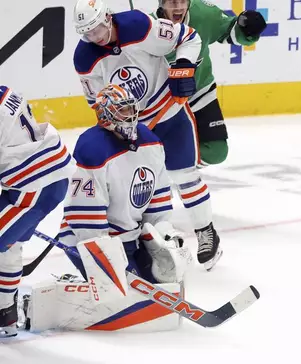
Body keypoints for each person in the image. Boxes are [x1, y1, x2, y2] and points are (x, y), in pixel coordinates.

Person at [20, 84, 192, 333]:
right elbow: (83, 214)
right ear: (105, 115)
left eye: (132, 108)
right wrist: (104, 256)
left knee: (165, 281)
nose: (131, 115)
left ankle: (108, 284)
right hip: (88, 239)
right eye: (123, 111)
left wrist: (161, 235)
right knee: (124, 297)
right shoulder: (92, 148)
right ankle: (53, 299)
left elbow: (159, 196)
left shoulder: (151, 143)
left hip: (131, 237)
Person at [72, 0, 221, 271]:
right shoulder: (84, 57)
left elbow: (188, 37)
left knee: (184, 176)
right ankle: (143, 242)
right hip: (132, 126)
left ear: (107, 18)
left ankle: (205, 231)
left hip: (170, 114)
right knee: (139, 188)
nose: (93, 37)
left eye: (96, 29)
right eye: (87, 33)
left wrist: (183, 67)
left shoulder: (138, 25)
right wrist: (114, 123)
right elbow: (96, 101)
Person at [153, 0, 266, 167]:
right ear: (161, 4)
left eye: (183, 1)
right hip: (159, 102)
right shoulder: (146, 27)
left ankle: (172, 171)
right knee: (145, 150)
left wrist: (246, 26)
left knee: (216, 151)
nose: (178, 7)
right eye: (172, 1)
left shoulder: (203, 14)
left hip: (199, 92)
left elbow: (228, 30)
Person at [0, 85, 74, 337]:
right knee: (9, 245)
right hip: (43, 177)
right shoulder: (5, 91)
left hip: (33, 186)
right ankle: (5, 313)